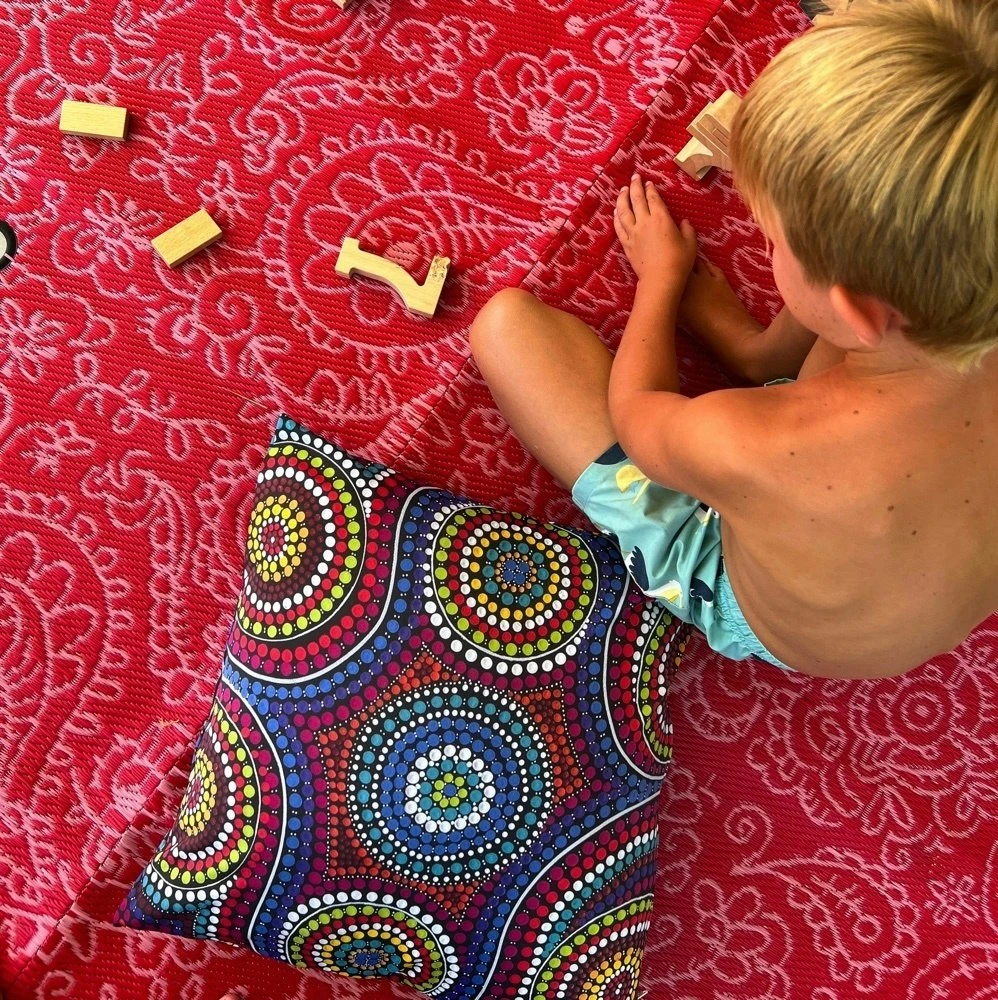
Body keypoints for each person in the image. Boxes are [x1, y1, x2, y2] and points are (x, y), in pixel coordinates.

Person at [469, 0, 998, 679]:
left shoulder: (756, 441)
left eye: (774, 240)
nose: (765, 243)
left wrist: (661, 279)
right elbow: (861, 316)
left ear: (857, 308)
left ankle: (757, 362)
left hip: (763, 611)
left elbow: (638, 416)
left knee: (507, 328)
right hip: (897, 589)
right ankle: (756, 355)